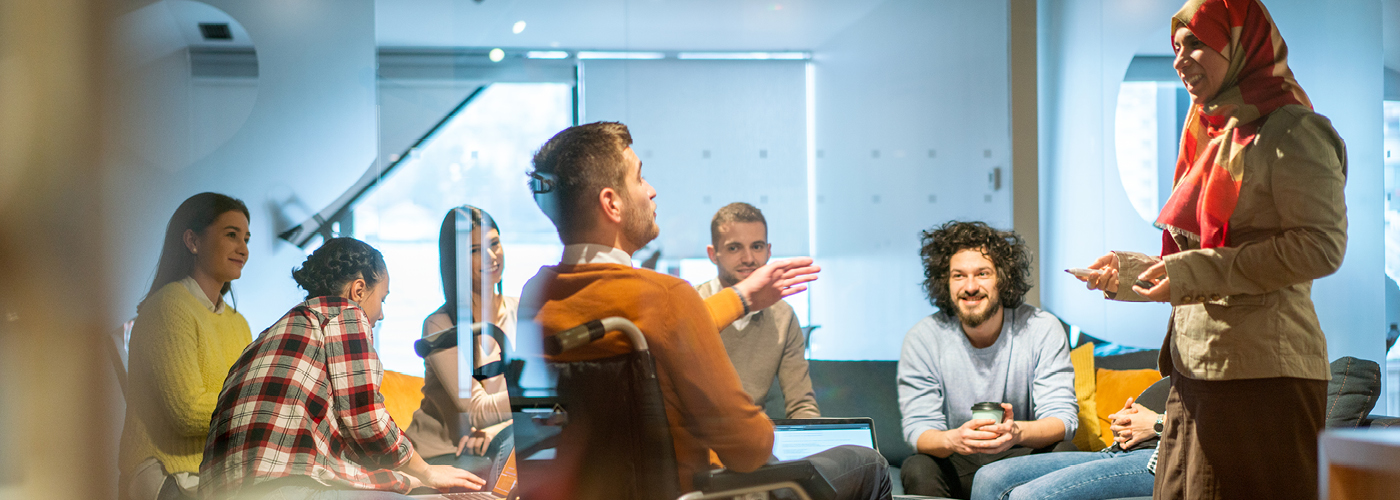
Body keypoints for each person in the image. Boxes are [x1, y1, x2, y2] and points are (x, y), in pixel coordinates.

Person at [519, 122, 891, 500]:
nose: (651, 191)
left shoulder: (539, 296)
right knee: (869, 463)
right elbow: (749, 450)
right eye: (640, 177)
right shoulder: (665, 297)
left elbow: (651, 328)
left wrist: (742, 297)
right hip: (704, 493)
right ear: (612, 203)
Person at [1077, 1, 1347, 498]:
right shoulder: (1207, 132)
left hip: (1261, 374)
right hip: (1195, 370)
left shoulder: (1293, 130)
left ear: (1241, 44)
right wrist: (1132, 272)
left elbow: (1320, 248)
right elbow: (1202, 259)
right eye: (1176, 47)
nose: (1180, 59)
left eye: (1196, 42)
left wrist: (1192, 272)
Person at [200, 238, 481, 499]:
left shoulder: (274, 332)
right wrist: (427, 472)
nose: (381, 314)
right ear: (358, 290)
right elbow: (365, 419)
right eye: (382, 299)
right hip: (284, 485)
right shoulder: (343, 312)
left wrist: (406, 480)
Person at [898, 221, 1078, 499]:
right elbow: (919, 430)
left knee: (1065, 452)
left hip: (1020, 460)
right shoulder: (923, 337)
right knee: (918, 466)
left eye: (982, 273)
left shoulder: (1041, 327)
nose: (970, 287)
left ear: (1003, 278)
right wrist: (954, 439)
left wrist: (1016, 432)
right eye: (959, 276)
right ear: (945, 282)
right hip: (957, 460)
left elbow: (1063, 420)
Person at [118, 192, 254, 500]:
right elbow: (187, 411)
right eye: (231, 235)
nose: (243, 249)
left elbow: (249, 394)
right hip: (168, 475)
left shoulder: (238, 322)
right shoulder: (167, 308)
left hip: (217, 476)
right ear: (193, 241)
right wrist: (258, 407)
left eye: (246, 238)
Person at [405, 206, 515, 477]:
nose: (491, 256)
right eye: (475, 251)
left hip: (491, 441)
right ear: (456, 261)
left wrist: (495, 429)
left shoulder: (521, 311)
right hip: (439, 455)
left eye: (494, 243)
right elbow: (477, 411)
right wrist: (537, 397)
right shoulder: (439, 325)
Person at [695, 202, 819, 419]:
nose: (749, 259)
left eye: (757, 246)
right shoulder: (691, 304)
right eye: (734, 248)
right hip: (698, 443)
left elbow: (801, 405)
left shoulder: (783, 316)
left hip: (755, 442)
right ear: (713, 254)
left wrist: (812, 448)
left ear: (769, 251)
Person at [969, 384, 1169, 500]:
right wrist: (1128, 423)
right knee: (988, 477)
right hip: (1128, 449)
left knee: (1028, 496)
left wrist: (1158, 423)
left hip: (1165, 459)